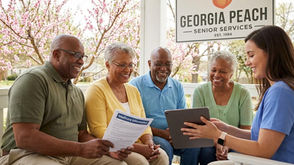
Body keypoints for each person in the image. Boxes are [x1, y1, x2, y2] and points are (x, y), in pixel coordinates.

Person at [0, 35, 131, 165]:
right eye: (76, 55)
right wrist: (80, 149)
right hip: (26, 154)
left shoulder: (76, 92)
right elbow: (25, 138)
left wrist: (108, 149)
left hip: (69, 155)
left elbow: (81, 134)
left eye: (83, 57)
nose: (81, 61)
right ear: (56, 55)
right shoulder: (33, 80)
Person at [182, 25, 294, 164]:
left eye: (251, 55)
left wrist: (218, 135)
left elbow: (263, 149)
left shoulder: (280, 92)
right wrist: (227, 129)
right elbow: (258, 138)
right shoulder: (280, 89)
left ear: (271, 53)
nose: (247, 62)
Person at [85, 43, 169, 165]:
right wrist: (139, 148)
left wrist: (149, 143)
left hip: (136, 144)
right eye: (122, 65)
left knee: (162, 156)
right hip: (112, 147)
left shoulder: (133, 90)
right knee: (140, 162)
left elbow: (144, 124)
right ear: (107, 65)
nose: (127, 70)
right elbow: (100, 132)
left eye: (130, 65)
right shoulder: (96, 90)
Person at [129, 47, 200, 165]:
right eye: (158, 64)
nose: (163, 68)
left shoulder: (177, 86)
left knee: (193, 145)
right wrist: (164, 134)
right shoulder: (135, 85)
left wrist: (176, 133)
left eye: (168, 64)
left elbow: (182, 116)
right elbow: (135, 123)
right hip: (149, 135)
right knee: (165, 147)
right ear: (149, 64)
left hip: (174, 134)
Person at [192, 50, 253, 164]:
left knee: (234, 154)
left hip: (235, 142)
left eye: (223, 71)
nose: (216, 75)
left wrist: (227, 144)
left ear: (231, 74)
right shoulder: (200, 92)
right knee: (206, 151)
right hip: (208, 140)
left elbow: (245, 130)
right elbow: (199, 128)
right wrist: (218, 142)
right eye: (213, 70)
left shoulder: (243, 93)